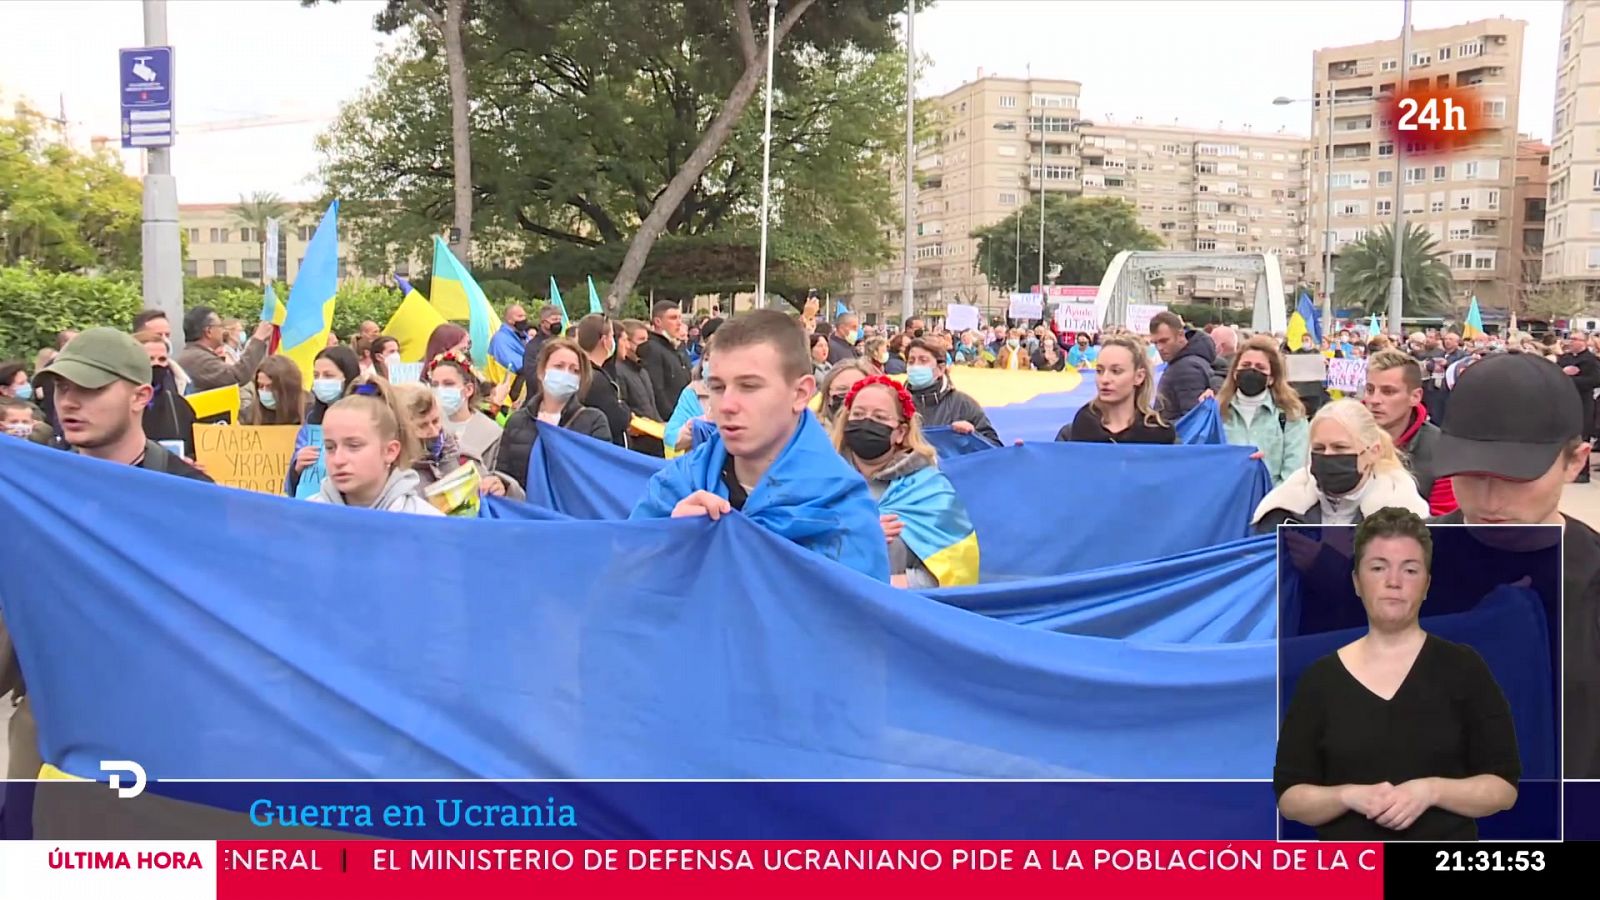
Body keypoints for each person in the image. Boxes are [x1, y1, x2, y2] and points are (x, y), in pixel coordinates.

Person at [1274, 508, 1519, 840]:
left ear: (1426, 584)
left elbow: (1503, 787)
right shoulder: (1320, 679)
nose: (1394, 582)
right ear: (1356, 582)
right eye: (1378, 568)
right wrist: (1347, 796)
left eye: (1410, 569)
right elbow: (1290, 796)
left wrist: (1431, 791)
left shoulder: (1464, 668)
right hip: (1353, 868)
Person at [1428, 352, 1600, 778]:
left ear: (1575, 461)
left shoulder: (1591, 579)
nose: (1490, 499)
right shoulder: (1392, 561)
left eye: (1518, 477)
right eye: (1470, 472)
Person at [631, 310, 889, 580]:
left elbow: (858, 606)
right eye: (717, 387)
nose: (726, 405)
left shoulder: (844, 512)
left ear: (800, 393)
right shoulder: (676, 485)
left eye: (749, 386)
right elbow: (623, 584)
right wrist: (670, 545)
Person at [832, 375, 978, 588]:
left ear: (900, 432)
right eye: (858, 414)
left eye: (880, 417)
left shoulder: (929, 490)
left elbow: (958, 568)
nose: (866, 422)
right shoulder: (822, 479)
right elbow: (793, 549)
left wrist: (895, 583)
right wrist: (855, 534)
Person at [33, 329, 211, 481]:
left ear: (140, 397)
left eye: (89, 388)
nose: (67, 403)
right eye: (61, 387)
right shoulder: (43, 486)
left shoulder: (188, 492)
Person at [1252, 399, 1428, 531]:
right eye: (1319, 448)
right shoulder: (1282, 509)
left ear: (1373, 452)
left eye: (1340, 447)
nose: (1328, 455)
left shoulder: (1404, 518)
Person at [307, 378, 444, 516]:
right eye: (330, 447)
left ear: (390, 451)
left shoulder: (427, 520)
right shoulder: (304, 516)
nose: (338, 460)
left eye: (353, 446)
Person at [498, 338, 613, 490]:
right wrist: (497, 483)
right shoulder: (517, 421)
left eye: (575, 370)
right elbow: (503, 475)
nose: (566, 374)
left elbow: (599, 477)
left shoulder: (594, 421)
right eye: (559, 366)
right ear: (541, 372)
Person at [1363, 349, 1456, 515]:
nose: (1374, 400)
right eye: (1370, 390)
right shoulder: (1341, 436)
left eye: (1388, 391)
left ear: (1415, 397)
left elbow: (1443, 522)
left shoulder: (1443, 450)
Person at [1217, 335, 1310, 487]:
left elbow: (1294, 471)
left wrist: (1269, 497)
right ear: (1234, 372)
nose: (1252, 370)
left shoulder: (1290, 415)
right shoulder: (1217, 412)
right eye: (1246, 365)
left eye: (1260, 367)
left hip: (1274, 498)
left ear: (1271, 378)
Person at [1056, 335, 1174, 444]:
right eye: (1099, 371)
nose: (1105, 379)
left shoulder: (1158, 432)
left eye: (1116, 371)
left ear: (1139, 377)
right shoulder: (1085, 422)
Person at [286, 346, 361, 498]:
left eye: (328, 375)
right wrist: (297, 467)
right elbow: (291, 485)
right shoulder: (311, 421)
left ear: (347, 377)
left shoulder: (365, 418)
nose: (320, 381)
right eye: (316, 375)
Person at [904, 339, 999, 445]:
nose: (915, 366)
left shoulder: (962, 404)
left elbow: (994, 447)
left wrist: (973, 437)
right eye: (911, 361)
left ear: (941, 368)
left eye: (923, 360)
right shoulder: (896, 403)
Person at [425, 350, 504, 469]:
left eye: (448, 384)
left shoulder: (491, 432)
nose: (440, 390)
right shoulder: (426, 427)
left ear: (468, 390)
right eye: (435, 385)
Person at [175, 306, 272, 392]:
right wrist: (258, 339)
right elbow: (236, 376)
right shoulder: (198, 359)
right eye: (220, 326)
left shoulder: (194, 354)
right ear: (208, 331)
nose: (223, 331)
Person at [132, 329, 197, 457]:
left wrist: (189, 462)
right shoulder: (116, 405)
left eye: (162, 359)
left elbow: (193, 449)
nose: (156, 364)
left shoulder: (178, 405)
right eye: (150, 359)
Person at [575, 314, 631, 448]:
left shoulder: (582, 370)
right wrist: (625, 410)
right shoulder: (596, 379)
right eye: (612, 336)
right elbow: (616, 419)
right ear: (604, 340)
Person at [1149, 311, 1219, 419]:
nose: (1159, 348)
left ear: (1181, 335)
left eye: (1164, 341)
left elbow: (1193, 420)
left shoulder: (1185, 368)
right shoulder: (1191, 361)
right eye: (1155, 343)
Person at [1557, 331, 1600, 483]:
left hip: (1584, 402)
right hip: (1566, 401)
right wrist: (1564, 374)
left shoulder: (1591, 360)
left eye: (1575, 339)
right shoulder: (1565, 358)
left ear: (1584, 342)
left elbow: (1595, 380)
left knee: (1582, 436)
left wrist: (1571, 379)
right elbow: (1556, 375)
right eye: (1570, 338)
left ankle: (1582, 472)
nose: (1571, 341)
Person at [638, 300, 692, 420]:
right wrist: (672, 417)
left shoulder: (678, 348)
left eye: (680, 317)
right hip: (670, 419)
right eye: (673, 318)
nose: (679, 322)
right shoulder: (652, 348)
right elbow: (657, 389)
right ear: (658, 321)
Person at [248, 355, 307, 427]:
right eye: (260, 386)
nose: (264, 391)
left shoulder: (309, 411)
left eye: (270, 387)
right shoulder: (249, 414)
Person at [490, 303, 531, 374]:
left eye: (525, 316)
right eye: (520, 316)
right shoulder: (500, 339)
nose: (524, 319)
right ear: (509, 320)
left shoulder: (524, 336)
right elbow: (511, 364)